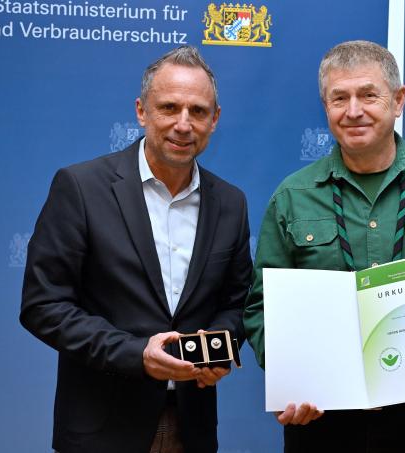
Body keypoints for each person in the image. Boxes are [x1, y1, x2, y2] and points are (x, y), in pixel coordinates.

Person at [243, 40, 405, 452]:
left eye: (368, 95)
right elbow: (261, 305)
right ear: (325, 105)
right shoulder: (293, 196)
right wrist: (290, 375)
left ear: (398, 100)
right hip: (320, 417)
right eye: (339, 98)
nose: (353, 111)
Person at [20, 45, 253, 453]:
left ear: (214, 120)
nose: (184, 124)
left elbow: (237, 305)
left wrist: (217, 351)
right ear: (142, 111)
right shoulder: (81, 188)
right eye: (169, 108)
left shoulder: (230, 202)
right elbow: (43, 305)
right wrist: (135, 355)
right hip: (101, 431)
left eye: (198, 111)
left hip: (192, 428)